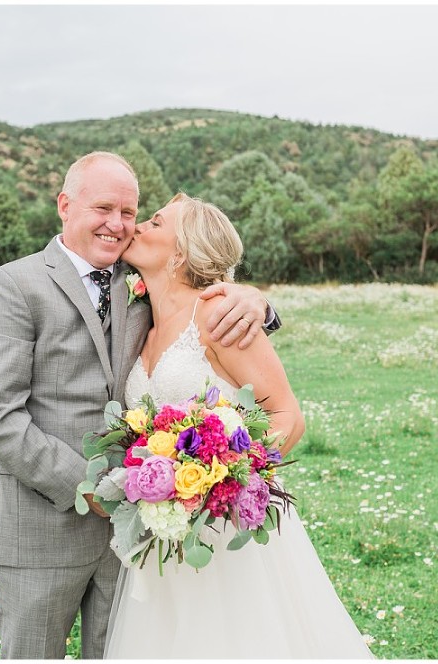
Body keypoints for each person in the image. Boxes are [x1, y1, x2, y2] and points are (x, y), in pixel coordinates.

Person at [0, 152, 275, 659]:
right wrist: (87, 489)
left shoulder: (140, 277)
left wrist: (257, 301)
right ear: (66, 205)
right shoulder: (16, 284)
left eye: (129, 212)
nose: (118, 225)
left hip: (135, 540)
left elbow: (198, 284)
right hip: (43, 530)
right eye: (103, 208)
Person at [104, 193, 373, 659]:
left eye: (154, 221)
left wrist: (222, 478)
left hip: (224, 529)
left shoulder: (218, 316)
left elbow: (288, 415)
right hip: (165, 532)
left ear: (182, 249)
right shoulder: (142, 319)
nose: (138, 227)